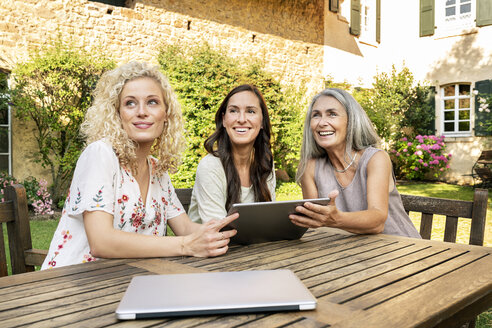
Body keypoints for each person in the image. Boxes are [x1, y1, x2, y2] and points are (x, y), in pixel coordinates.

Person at [41, 61, 237, 270]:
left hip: (123, 283)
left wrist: (226, 232)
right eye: (130, 103)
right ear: (117, 115)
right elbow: (101, 243)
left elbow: (186, 228)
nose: (142, 112)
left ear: (166, 115)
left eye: (152, 102)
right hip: (70, 284)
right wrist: (185, 246)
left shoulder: (157, 170)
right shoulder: (100, 154)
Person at [290, 88, 421, 238]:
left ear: (351, 120)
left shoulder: (376, 159)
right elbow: (314, 222)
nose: (322, 122)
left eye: (332, 114)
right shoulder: (309, 167)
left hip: (402, 249)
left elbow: (377, 221)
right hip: (348, 253)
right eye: (316, 115)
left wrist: (335, 219)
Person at [187, 84, 276, 223]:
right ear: (224, 120)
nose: (241, 119)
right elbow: (218, 230)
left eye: (250, 111)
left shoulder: (265, 163)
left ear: (262, 121)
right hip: (212, 243)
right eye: (233, 111)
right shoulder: (210, 166)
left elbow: (268, 220)